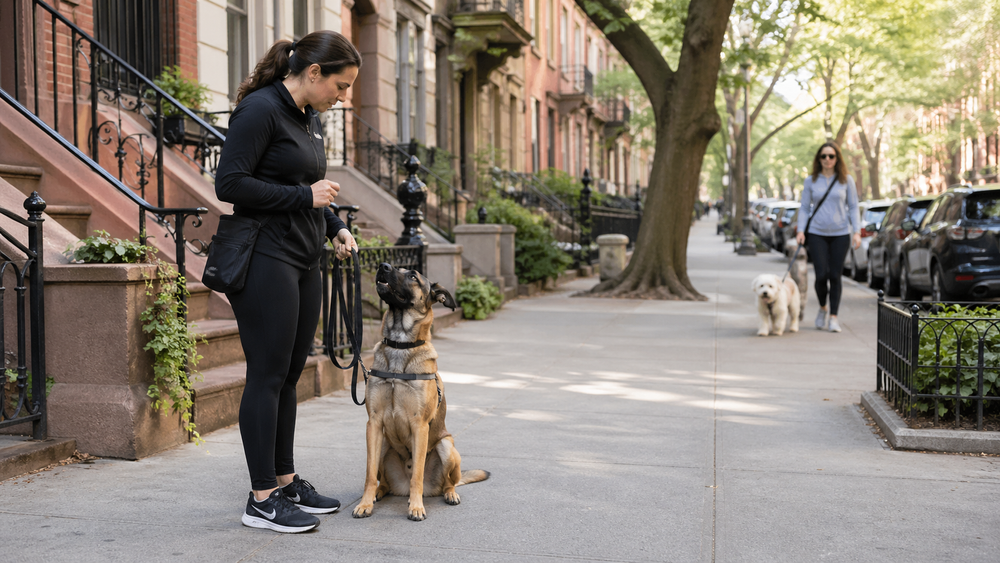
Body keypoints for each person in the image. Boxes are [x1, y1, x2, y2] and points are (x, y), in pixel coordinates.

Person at [215, 30, 361, 534]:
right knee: (267, 372)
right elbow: (229, 184)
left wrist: (335, 225)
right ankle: (261, 499)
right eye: (340, 87)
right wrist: (307, 200)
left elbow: (305, 188)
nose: (343, 99)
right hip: (263, 255)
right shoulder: (259, 109)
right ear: (314, 72)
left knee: (291, 371)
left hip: (303, 255)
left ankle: (285, 478)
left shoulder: (307, 117)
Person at [795, 142, 860, 333]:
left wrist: (857, 231)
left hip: (840, 234)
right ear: (819, 159)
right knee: (821, 275)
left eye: (831, 156)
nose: (827, 160)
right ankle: (823, 307)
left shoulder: (846, 180)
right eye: (824, 156)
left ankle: (833, 317)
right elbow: (805, 208)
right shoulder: (811, 181)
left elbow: (854, 207)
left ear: (837, 158)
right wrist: (800, 230)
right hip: (817, 233)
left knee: (835, 275)